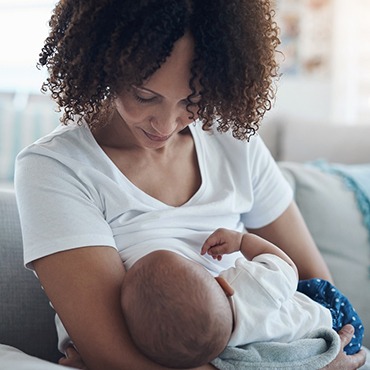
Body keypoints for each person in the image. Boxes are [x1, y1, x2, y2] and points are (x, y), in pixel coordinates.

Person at [13, 0, 366, 369]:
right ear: (102, 62)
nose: (165, 125)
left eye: (192, 101)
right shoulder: (56, 168)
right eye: (145, 96)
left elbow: (321, 292)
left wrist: (310, 356)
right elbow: (115, 358)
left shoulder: (232, 141)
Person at [121, 229, 364, 369]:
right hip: (332, 319)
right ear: (222, 283)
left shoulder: (221, 354)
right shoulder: (248, 283)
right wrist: (242, 241)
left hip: (312, 349)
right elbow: (287, 267)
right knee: (309, 288)